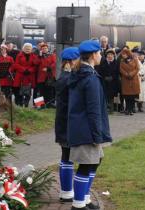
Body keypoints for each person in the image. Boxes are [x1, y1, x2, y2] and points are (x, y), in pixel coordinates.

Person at [67, 40, 112, 210]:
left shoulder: (81, 73)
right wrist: (97, 134)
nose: (100, 56)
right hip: (86, 128)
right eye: (99, 53)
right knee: (86, 165)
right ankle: (78, 205)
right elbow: (93, 109)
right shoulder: (90, 77)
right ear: (94, 55)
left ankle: (84, 199)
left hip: (82, 126)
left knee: (95, 161)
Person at [55, 47, 80, 204]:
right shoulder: (68, 78)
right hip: (67, 122)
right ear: (72, 61)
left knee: (66, 155)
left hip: (63, 121)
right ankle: (65, 192)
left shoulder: (64, 76)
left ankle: (66, 191)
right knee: (67, 156)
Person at [13, 43, 37, 107]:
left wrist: (29, 70)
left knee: (28, 90)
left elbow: (35, 66)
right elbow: (16, 65)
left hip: (29, 75)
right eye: (26, 48)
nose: (27, 49)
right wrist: (24, 70)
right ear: (24, 49)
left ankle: (26, 104)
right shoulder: (19, 55)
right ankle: (19, 103)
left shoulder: (34, 56)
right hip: (20, 75)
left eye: (29, 48)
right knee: (18, 90)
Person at [33, 43, 56, 108]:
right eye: (43, 49)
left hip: (49, 76)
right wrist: (39, 56)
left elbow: (54, 63)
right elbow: (35, 63)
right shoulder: (39, 56)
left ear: (47, 49)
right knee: (41, 92)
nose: (44, 50)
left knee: (49, 92)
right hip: (41, 77)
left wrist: (48, 68)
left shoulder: (52, 55)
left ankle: (49, 105)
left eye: (45, 48)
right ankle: (41, 105)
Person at [119, 48, 140, 115]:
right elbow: (121, 69)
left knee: (132, 97)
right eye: (123, 54)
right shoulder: (122, 61)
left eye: (124, 54)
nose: (123, 56)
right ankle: (127, 109)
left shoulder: (135, 60)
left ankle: (131, 109)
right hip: (126, 80)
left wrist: (130, 74)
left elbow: (137, 68)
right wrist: (126, 74)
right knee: (127, 96)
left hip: (133, 79)